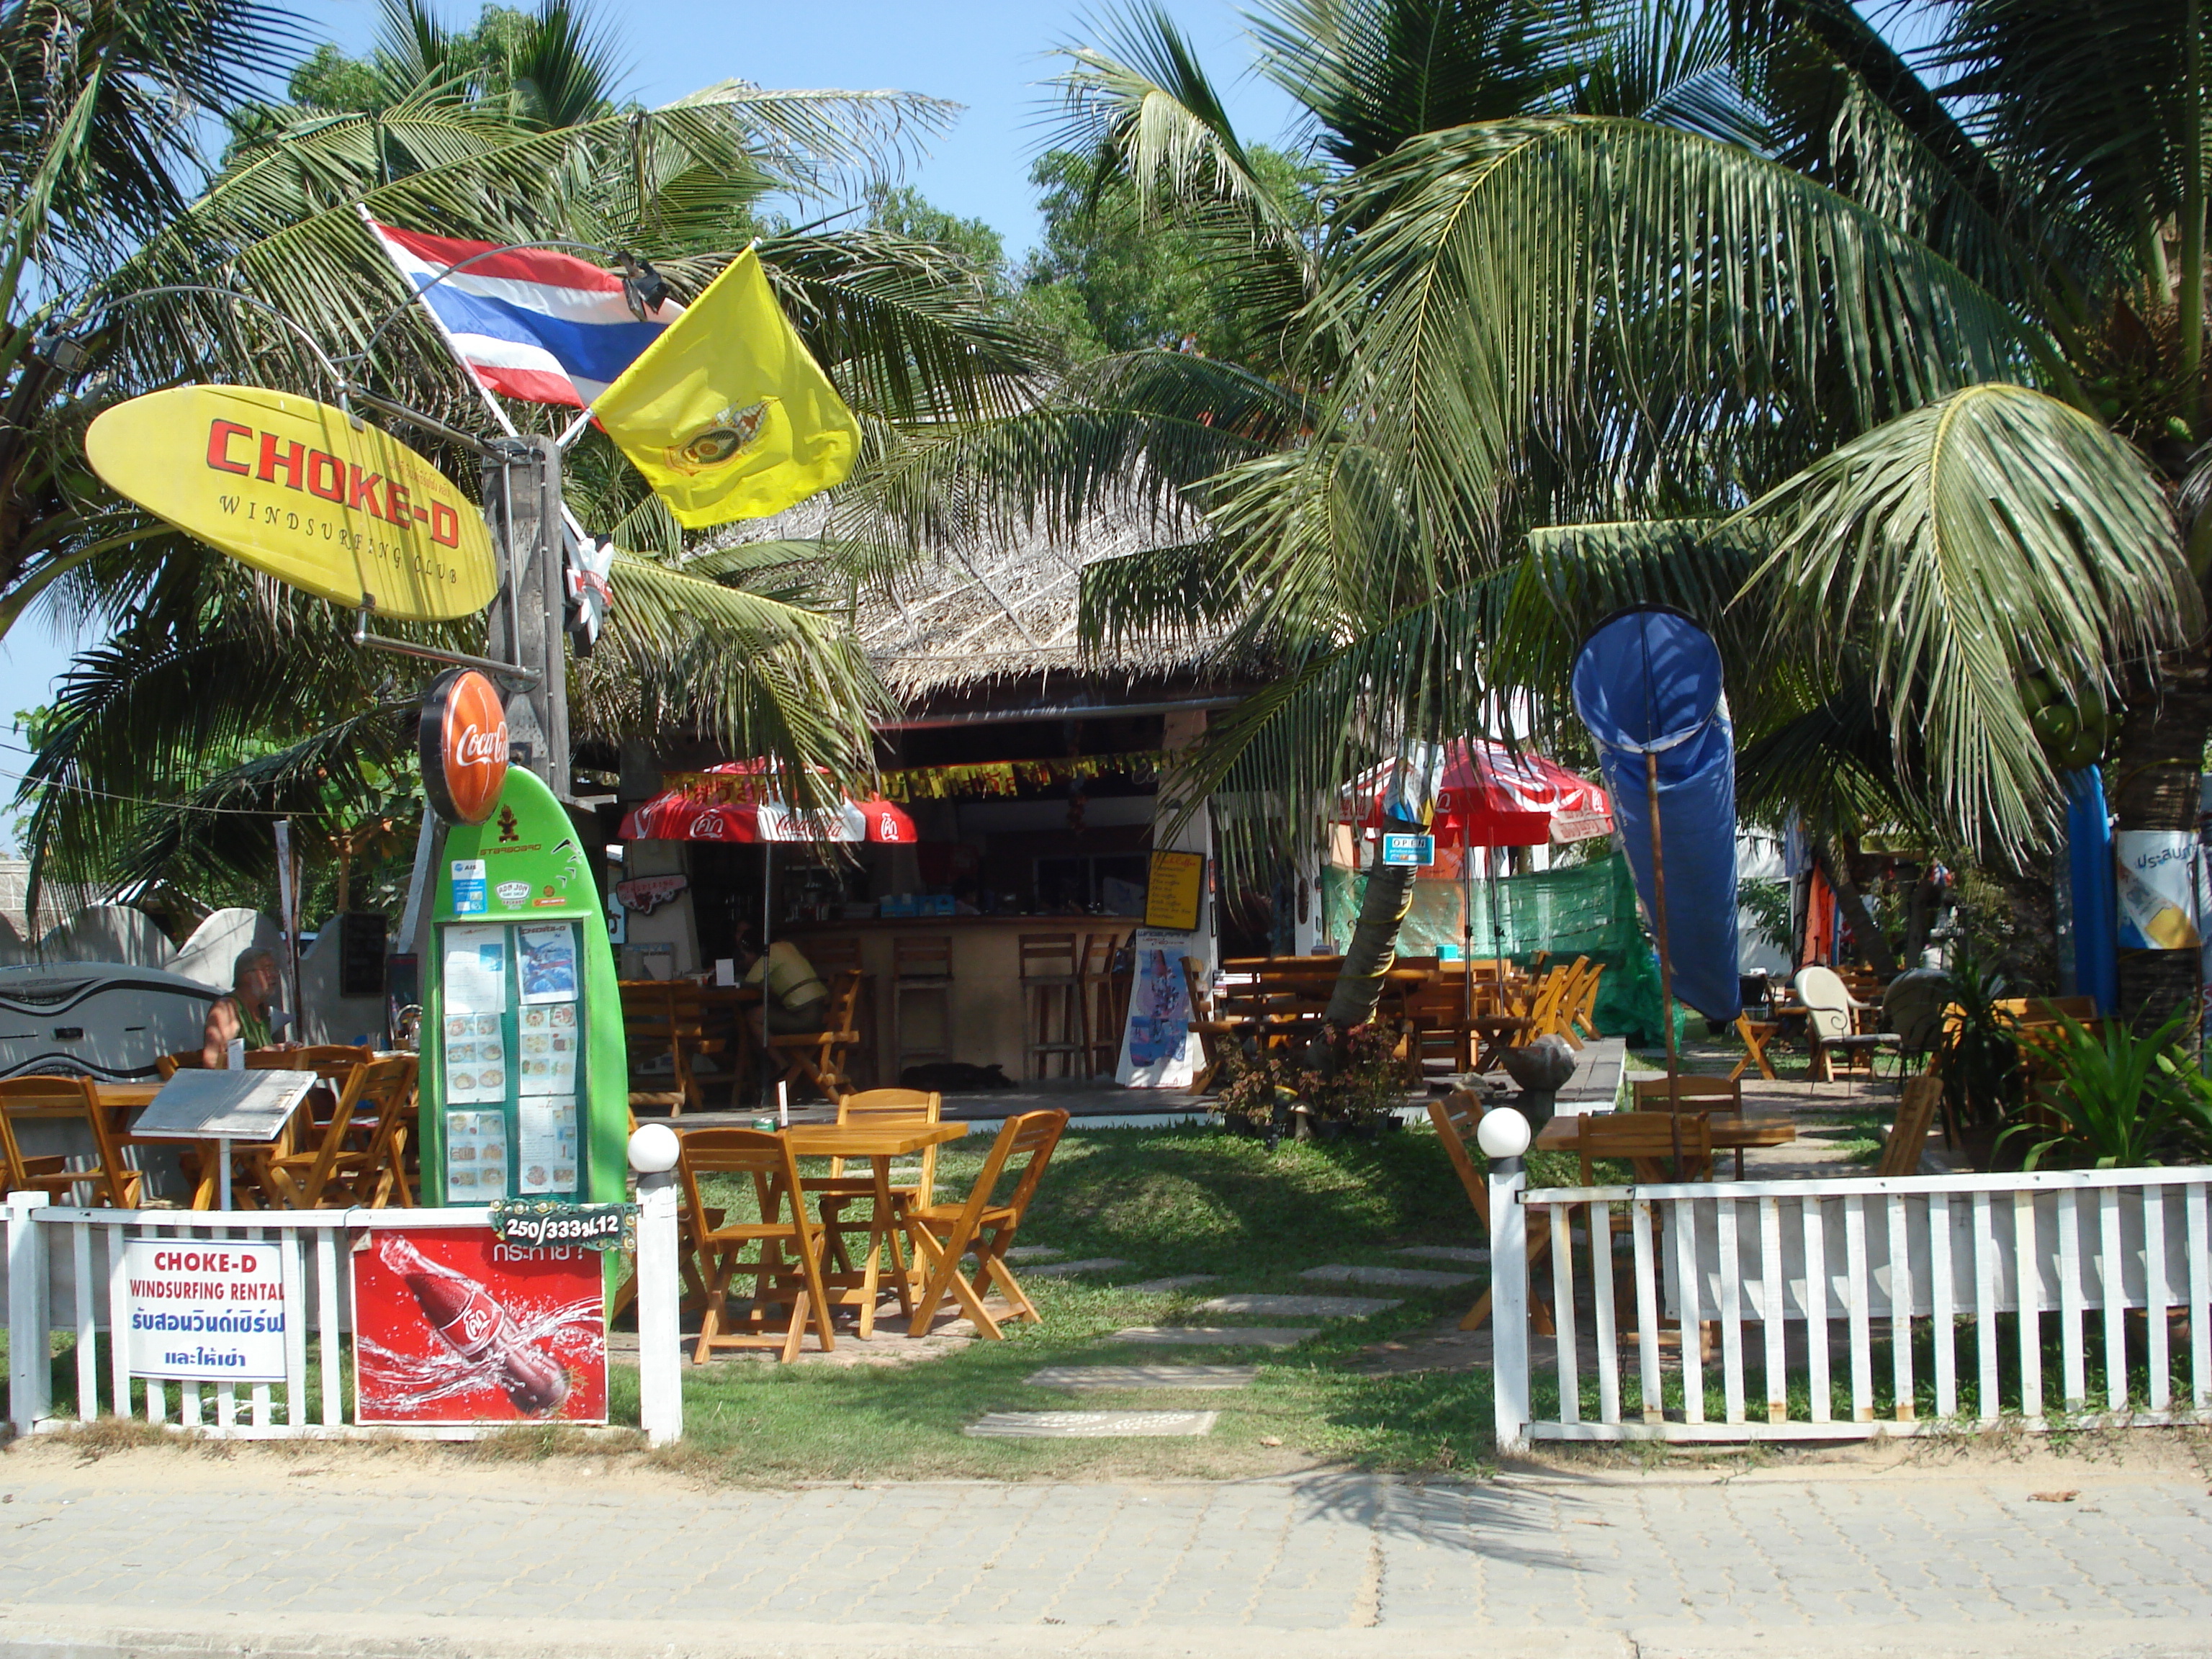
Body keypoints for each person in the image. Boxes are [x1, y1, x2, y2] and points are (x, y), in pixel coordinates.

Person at [201, 947, 286, 1069]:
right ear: (246, 976)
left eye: (274, 969)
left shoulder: (262, 1009)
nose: (274, 975)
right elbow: (212, 1062)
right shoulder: (228, 1009)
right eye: (267, 969)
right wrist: (261, 1055)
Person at [739, 937, 830, 1040]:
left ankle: (776, 1057)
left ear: (752, 951)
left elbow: (749, 982)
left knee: (753, 1016)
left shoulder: (769, 953)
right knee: (765, 1011)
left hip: (806, 1019)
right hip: (823, 1014)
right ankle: (790, 1056)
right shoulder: (787, 946)